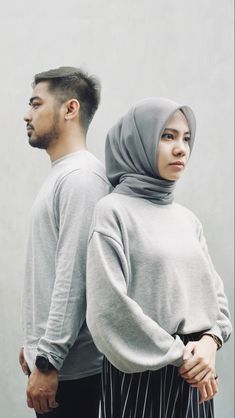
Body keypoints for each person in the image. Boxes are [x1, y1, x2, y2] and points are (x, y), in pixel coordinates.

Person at [86, 98, 232, 418]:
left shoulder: (187, 219)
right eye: (167, 136)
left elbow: (215, 298)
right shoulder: (113, 212)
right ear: (137, 142)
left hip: (195, 372)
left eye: (186, 138)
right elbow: (108, 309)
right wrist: (181, 355)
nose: (180, 148)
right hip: (140, 374)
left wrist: (211, 342)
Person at [19, 66, 111, 418]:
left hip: (72, 375)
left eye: (36, 103)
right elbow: (51, 269)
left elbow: (75, 278)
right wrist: (34, 344)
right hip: (57, 366)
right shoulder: (65, 175)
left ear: (70, 109)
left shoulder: (81, 178)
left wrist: (48, 358)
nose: (26, 114)